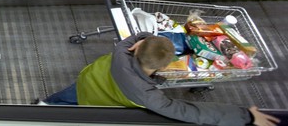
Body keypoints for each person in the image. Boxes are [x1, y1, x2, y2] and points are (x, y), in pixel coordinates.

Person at [43, 33, 279, 126]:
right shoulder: (150, 97)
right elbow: (194, 112)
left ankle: (44, 106)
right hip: (98, 106)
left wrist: (143, 37)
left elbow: (134, 38)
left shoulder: (120, 50)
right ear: (165, 66)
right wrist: (246, 115)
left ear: (136, 48)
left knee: (67, 95)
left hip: (87, 81)